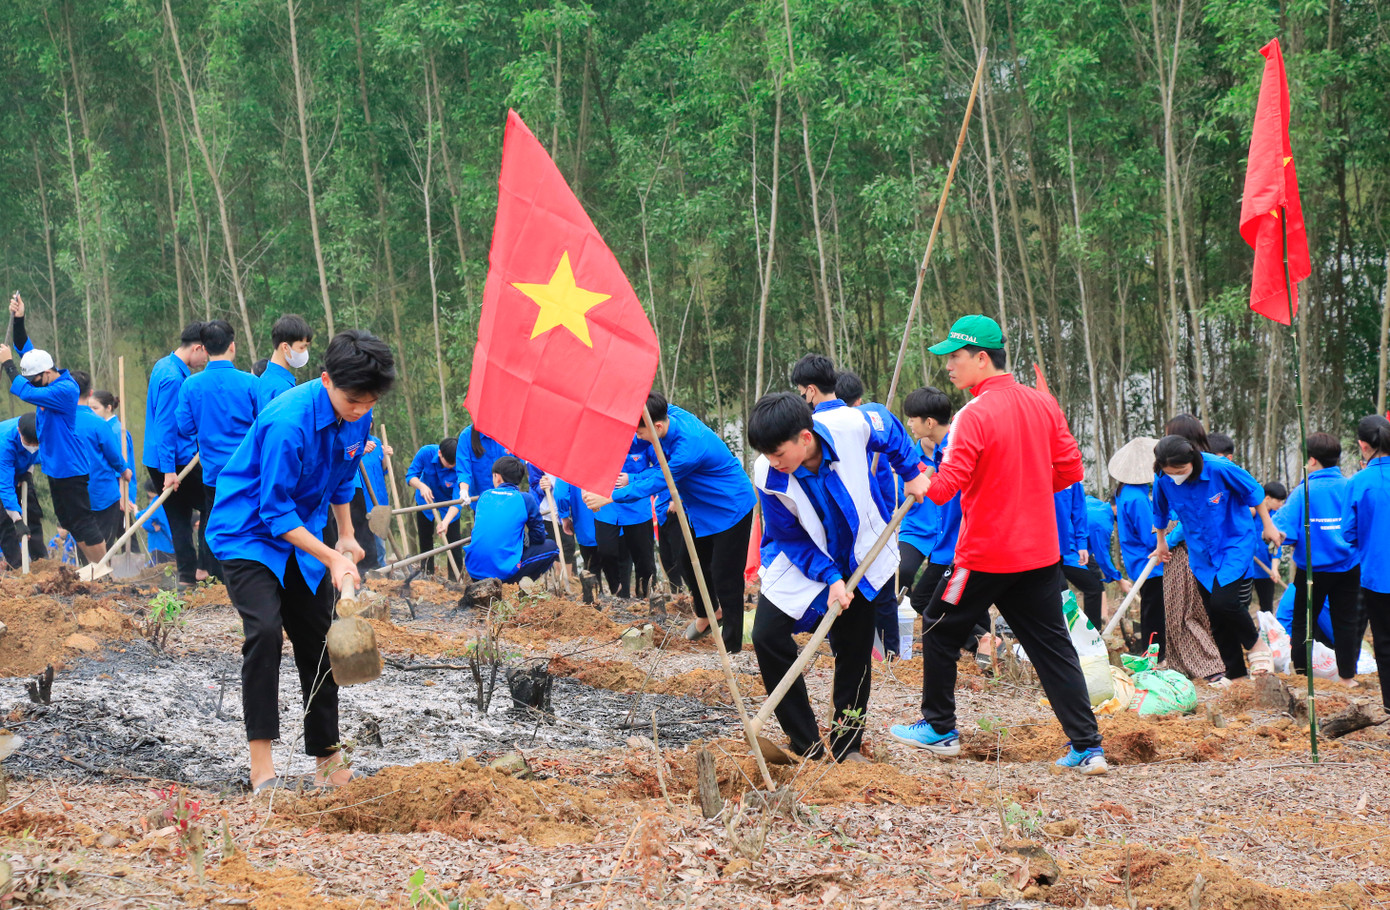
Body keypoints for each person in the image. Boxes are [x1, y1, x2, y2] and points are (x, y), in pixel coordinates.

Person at [887, 315, 1107, 775]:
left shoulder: (974, 414)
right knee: (1053, 646)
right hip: (1039, 553)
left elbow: (950, 484)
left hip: (985, 553)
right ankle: (1088, 747)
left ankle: (940, 728)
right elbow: (1070, 470)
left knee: (939, 627)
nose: (948, 366)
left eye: (955, 357)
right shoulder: (1044, 404)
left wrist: (919, 484)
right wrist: (1024, 487)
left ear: (981, 358)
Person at [206, 329, 394, 795]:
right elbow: (273, 511)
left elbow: (342, 480)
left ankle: (328, 760)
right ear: (326, 379)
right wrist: (331, 555)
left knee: (319, 637)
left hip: (301, 533)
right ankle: (262, 767)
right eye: (353, 399)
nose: (360, 409)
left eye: (370, 402)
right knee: (266, 632)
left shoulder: (360, 418)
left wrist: (347, 536)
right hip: (248, 532)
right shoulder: (288, 421)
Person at [748, 392, 930, 761]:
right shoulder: (769, 473)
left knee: (854, 649)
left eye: (778, 453)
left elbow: (889, 428)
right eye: (766, 454)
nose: (772, 462)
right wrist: (830, 576)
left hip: (862, 550)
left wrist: (910, 475)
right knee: (766, 635)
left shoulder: (848, 426)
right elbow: (789, 536)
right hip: (806, 559)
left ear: (805, 437)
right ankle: (805, 743)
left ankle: (848, 746)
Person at [583, 391, 756, 652]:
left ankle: (732, 647)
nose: (638, 438)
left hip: (730, 506)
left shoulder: (689, 447)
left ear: (658, 427)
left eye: (641, 433)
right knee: (688, 563)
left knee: (726, 576)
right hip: (702, 509)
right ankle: (709, 614)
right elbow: (642, 433)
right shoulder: (668, 413)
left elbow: (661, 478)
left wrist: (609, 496)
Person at [796, 357, 912, 656]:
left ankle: (855, 656)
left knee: (845, 603)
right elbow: (894, 435)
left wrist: (910, 475)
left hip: (840, 536)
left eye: (800, 391)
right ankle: (889, 655)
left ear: (810, 391)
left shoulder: (811, 429)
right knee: (880, 595)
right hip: (875, 529)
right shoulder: (864, 416)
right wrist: (911, 473)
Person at [1151, 434, 1281, 679]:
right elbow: (1160, 512)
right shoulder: (1163, 478)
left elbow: (1254, 491)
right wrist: (1161, 544)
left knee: (1225, 602)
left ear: (1194, 459)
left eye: (1180, 470)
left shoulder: (1219, 468)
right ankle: (1235, 674)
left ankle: (1256, 644)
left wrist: (1268, 526)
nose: (1175, 476)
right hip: (1201, 554)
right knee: (1215, 615)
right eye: (1169, 472)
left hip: (1234, 543)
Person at [1, 310, 106, 566]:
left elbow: (24, 392)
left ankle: (105, 570)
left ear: (47, 373)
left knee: (83, 522)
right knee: (69, 523)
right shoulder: (45, 379)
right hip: (55, 468)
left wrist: (7, 364)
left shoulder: (64, 389)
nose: (34, 384)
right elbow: (26, 349)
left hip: (70, 467)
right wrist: (19, 319)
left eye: (35, 380)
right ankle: (93, 569)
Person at [176, 320, 261, 580]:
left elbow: (185, 427)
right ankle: (250, 575)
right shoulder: (251, 383)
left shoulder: (191, 385)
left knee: (214, 520)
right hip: (247, 469)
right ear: (232, 346)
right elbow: (264, 425)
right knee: (249, 520)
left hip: (213, 471)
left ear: (204, 348)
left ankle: (217, 579)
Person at [1275, 432, 1360, 685]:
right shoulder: (1349, 487)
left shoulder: (1304, 492)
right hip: (1349, 567)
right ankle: (1347, 677)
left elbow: (1284, 533)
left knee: (1303, 622)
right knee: (1346, 621)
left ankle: (1302, 675)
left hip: (1313, 571)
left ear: (1311, 461)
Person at [1155, 415, 1229, 683]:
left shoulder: (1204, 471)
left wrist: (1168, 541)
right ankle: (1182, 664)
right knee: (1177, 611)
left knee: (1186, 611)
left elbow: (1194, 518)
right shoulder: (1172, 472)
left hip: (1187, 551)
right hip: (1178, 547)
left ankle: (1210, 666)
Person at [144, 322, 211, 584]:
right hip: (174, 459)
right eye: (205, 354)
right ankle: (204, 568)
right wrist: (170, 470)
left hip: (158, 456)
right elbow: (165, 426)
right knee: (211, 503)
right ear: (197, 348)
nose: (205, 360)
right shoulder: (173, 378)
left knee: (179, 515)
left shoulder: (164, 364)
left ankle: (186, 575)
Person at [900, 387, 962, 619]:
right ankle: (984, 641)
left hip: (959, 545)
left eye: (912, 419)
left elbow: (944, 492)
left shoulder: (956, 450)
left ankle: (984, 639)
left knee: (931, 599)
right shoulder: (940, 449)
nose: (908, 423)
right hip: (941, 541)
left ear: (929, 423)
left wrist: (910, 469)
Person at [1341, 415, 1390, 710]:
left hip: (1378, 575)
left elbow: (1348, 532)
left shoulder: (1359, 482)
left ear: (1363, 445)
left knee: (1384, 642)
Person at [1109, 437, 1165, 657]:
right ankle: (1155, 657)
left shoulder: (1126, 491)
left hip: (1137, 560)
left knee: (1150, 609)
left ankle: (1151, 654)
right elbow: (1150, 537)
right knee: (1155, 613)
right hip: (1148, 561)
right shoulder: (1137, 498)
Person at [464, 456, 559, 583]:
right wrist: (524, 539)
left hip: (474, 571)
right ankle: (516, 586)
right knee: (552, 547)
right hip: (502, 575)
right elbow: (539, 537)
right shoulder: (525, 499)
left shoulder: (484, 496)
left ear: (497, 477)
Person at [71, 370, 132, 550]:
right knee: (104, 544)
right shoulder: (99, 423)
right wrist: (124, 470)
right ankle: (101, 575)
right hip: (102, 493)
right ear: (90, 393)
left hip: (74, 493)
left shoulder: (61, 421)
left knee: (84, 543)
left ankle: (87, 574)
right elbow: (114, 456)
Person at [593, 441, 658, 598]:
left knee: (644, 558)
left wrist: (633, 478)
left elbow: (660, 468)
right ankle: (618, 592)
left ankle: (645, 596)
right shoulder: (600, 437)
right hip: (606, 505)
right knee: (606, 551)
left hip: (637, 506)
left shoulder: (643, 438)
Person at [833, 369, 900, 516]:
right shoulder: (871, 432)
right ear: (859, 401)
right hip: (871, 512)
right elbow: (883, 474)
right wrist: (887, 509)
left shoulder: (825, 431)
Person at [405, 438, 463, 577]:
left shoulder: (461, 464)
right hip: (426, 500)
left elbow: (457, 500)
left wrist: (446, 522)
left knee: (454, 542)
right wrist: (421, 486)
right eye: (448, 463)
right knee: (425, 539)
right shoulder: (426, 452)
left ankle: (454, 579)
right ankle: (427, 574)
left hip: (449, 505)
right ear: (439, 453)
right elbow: (411, 476)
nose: (450, 467)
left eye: (453, 464)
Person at [1056, 481, 1104, 630]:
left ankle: (1091, 634)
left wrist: (1081, 543)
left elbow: (1078, 509)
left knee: (1090, 589)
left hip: (1065, 550)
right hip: (1042, 549)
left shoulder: (1070, 476)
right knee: (1059, 596)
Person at [0, 413, 45, 568]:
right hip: (3, 474)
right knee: (5, 521)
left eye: (36, 443)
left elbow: (35, 455)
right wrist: (17, 520)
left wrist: (27, 473)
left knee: (32, 513)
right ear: (19, 431)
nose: (32, 447)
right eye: (28, 443)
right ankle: (18, 567)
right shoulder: (5, 442)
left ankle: (42, 562)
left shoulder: (43, 429)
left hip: (21, 470)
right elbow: (5, 486)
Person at [1247, 482, 1287, 612]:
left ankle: (1266, 631)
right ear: (1267, 498)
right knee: (1241, 604)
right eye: (1279, 501)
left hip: (1265, 570)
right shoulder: (1252, 512)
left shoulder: (1276, 518)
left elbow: (1277, 546)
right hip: (1246, 566)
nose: (1281, 505)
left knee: (1267, 607)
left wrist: (1274, 569)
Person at [258, 314, 313, 408]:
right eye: (302, 347)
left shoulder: (265, 378)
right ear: (285, 347)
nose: (305, 352)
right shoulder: (283, 388)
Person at [556, 477, 600, 579]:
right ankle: (625, 593)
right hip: (617, 521)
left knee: (591, 567)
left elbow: (560, 494)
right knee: (621, 565)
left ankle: (595, 592)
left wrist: (564, 516)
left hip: (585, 522)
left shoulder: (569, 462)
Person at [359, 435, 391, 564]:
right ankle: (364, 574)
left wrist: (386, 457)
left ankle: (381, 573)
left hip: (380, 499)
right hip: (361, 501)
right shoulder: (352, 442)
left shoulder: (376, 441)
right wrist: (361, 451)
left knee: (380, 545)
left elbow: (383, 470)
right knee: (364, 543)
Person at [1085, 492, 1122, 592]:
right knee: (1094, 589)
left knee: (1095, 575)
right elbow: (1102, 555)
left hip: (1069, 545)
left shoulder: (1092, 501)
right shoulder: (1103, 525)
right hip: (1067, 551)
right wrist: (1120, 580)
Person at [137, 480, 175, 565]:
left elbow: (146, 521)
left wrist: (153, 528)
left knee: (158, 566)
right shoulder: (167, 498)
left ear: (149, 491)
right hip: (173, 541)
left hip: (160, 546)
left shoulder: (156, 503)